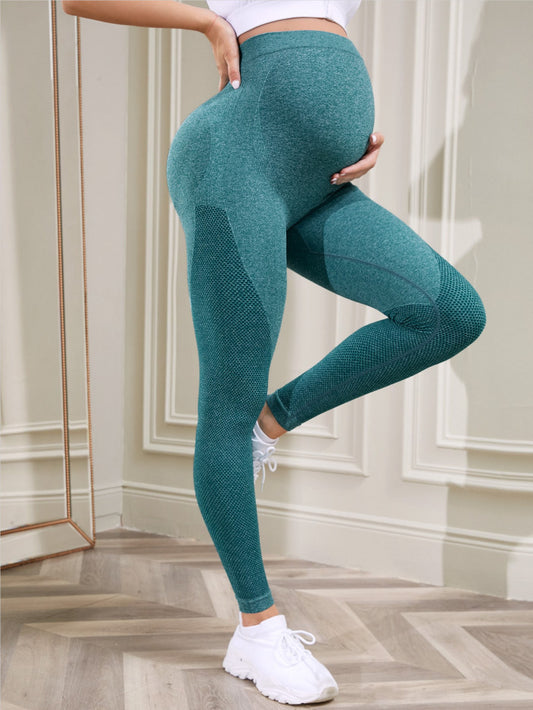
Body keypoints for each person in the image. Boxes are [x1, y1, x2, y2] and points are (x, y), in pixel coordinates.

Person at [63, 1, 487, 704]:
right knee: (226, 400)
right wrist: (206, 24)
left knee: (449, 313)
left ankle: (272, 419)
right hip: (235, 161)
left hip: (321, 181)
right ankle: (257, 630)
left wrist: (349, 129)